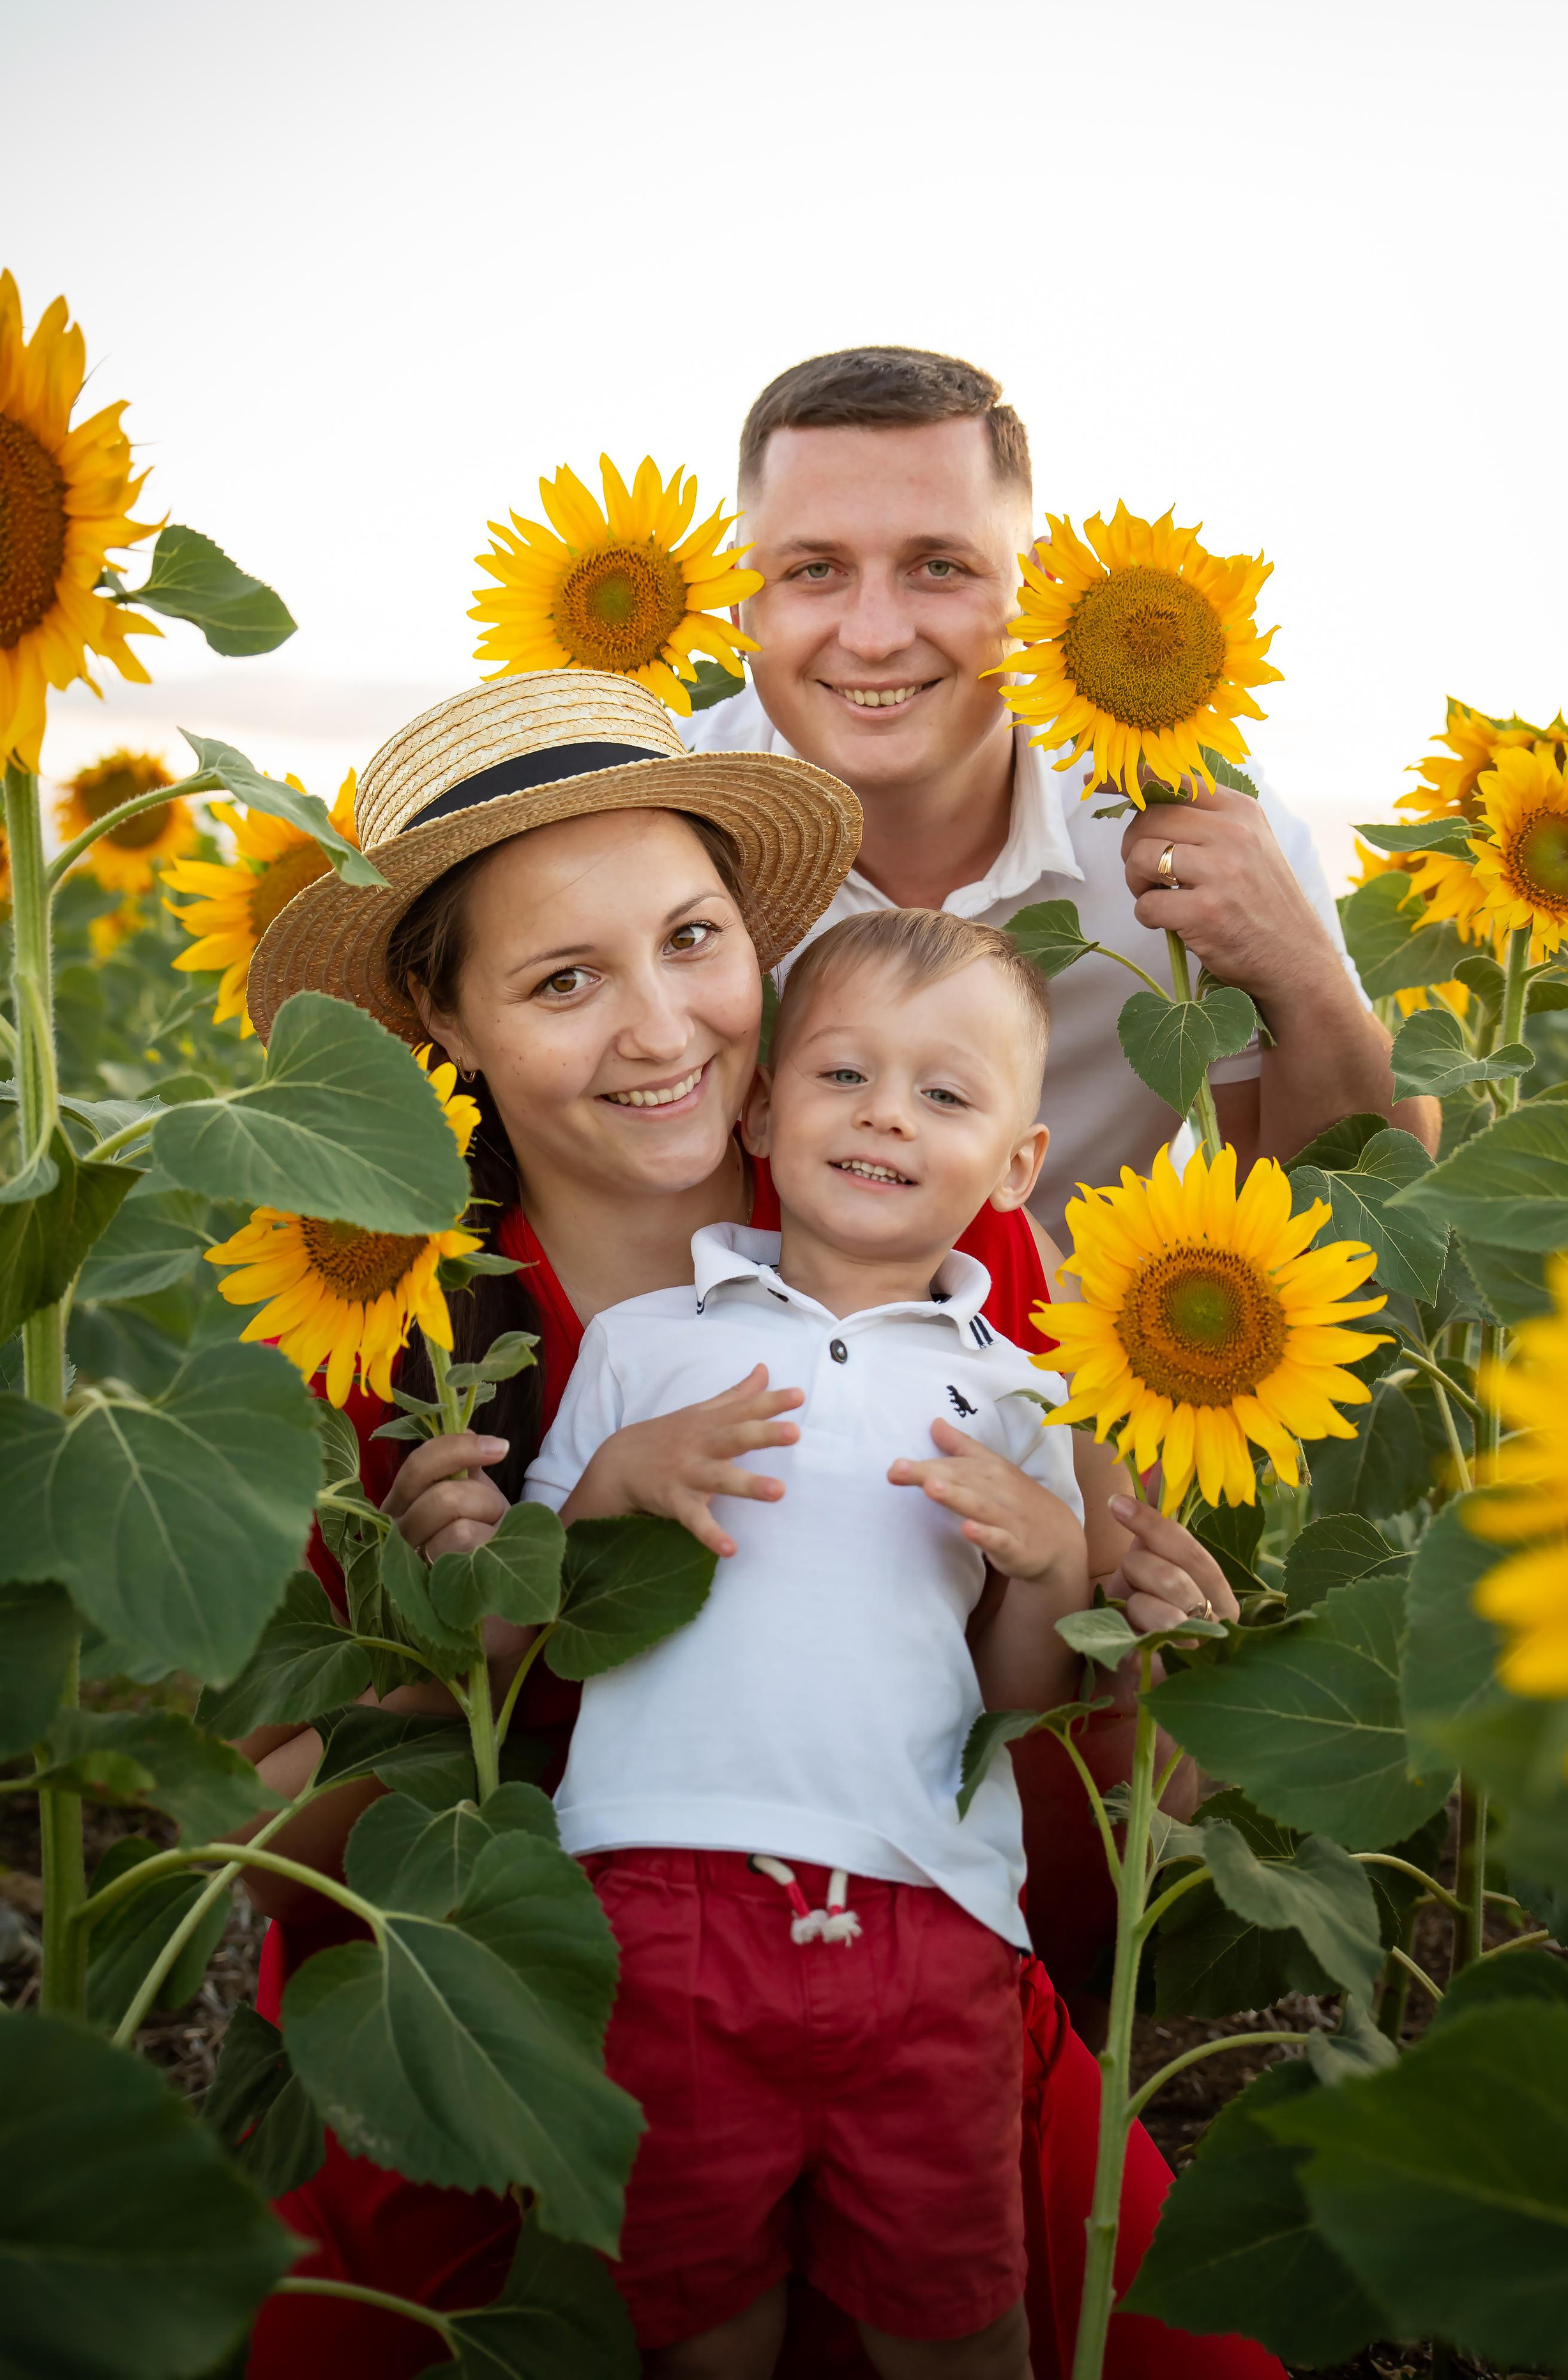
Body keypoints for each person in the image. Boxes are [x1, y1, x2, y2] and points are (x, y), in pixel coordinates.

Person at [230, 669, 1273, 2380]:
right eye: (565, 980)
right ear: (447, 1017)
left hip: (915, 1970)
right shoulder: (402, 1316)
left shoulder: (925, 1223)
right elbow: (294, 1837)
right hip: (533, 2014)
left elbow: (1057, 1749)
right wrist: (447, 1644)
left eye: (694, 940)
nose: (662, 1030)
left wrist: (1134, 1645)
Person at [524, 908, 1089, 2379]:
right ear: (764, 1109)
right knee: (692, 2321)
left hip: (929, 1910)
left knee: (956, 2321)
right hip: (661, 1886)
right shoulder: (648, 1345)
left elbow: (1018, 1707)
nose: (886, 1114)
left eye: (947, 1095)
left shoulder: (1024, 1400)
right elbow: (529, 1631)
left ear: (1016, 1166)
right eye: (843, 1074)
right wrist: (610, 1488)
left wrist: (1045, 1565)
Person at [688, 344, 1438, 1227]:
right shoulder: (666, 822)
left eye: (940, 567)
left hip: (1082, 1347)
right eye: (816, 571)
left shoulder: (1176, 810)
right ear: (743, 609)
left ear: (1034, 591)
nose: (878, 634)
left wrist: (1300, 971)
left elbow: (1350, 1203)